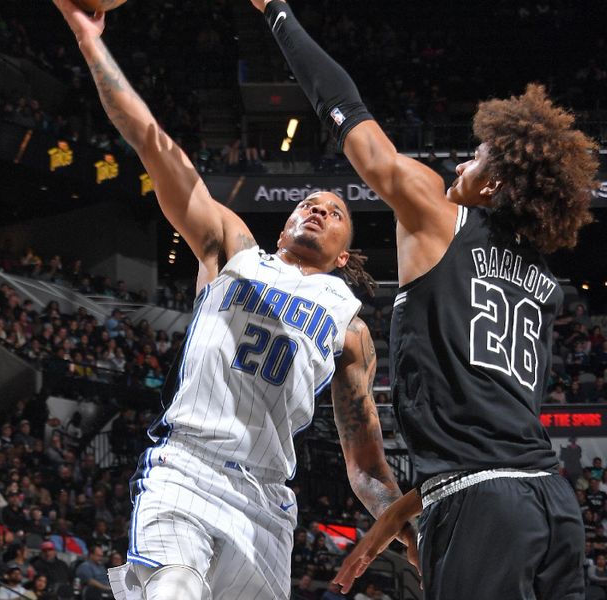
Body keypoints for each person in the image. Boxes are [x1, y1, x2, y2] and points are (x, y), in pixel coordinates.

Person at [52, 2, 416, 599]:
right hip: (186, 466)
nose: (319, 209)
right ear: (282, 228)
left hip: (266, 503)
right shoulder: (235, 250)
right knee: (173, 586)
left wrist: (409, 526)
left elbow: (366, 467)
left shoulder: (349, 329)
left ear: (347, 256)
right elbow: (153, 143)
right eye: (307, 204)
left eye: (336, 210)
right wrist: (92, 42)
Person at [251, 1, 598, 598]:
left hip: (483, 506)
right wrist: (394, 513)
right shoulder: (545, 287)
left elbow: (349, 113)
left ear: (493, 183)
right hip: (555, 506)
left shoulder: (441, 215)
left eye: (476, 156)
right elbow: (500, 441)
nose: (461, 160)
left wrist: (276, 11)